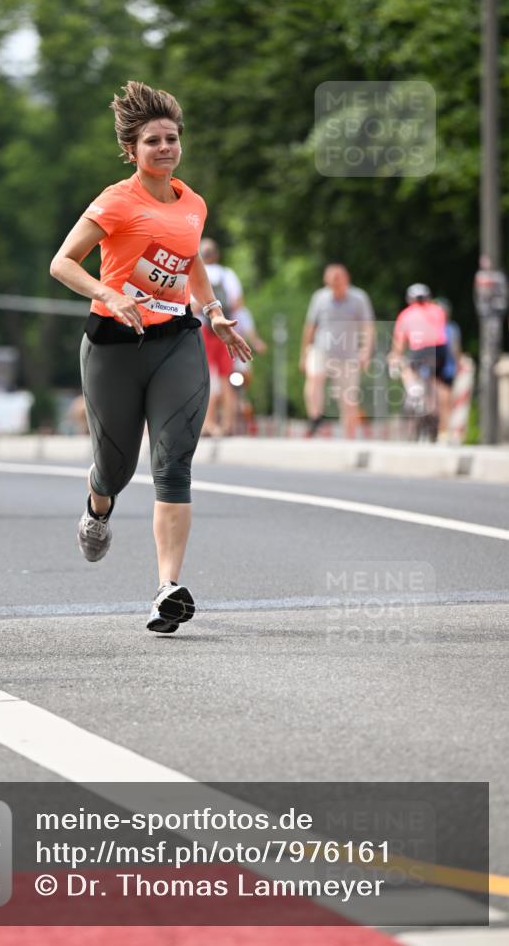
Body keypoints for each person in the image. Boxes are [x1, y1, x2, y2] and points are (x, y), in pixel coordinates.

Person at [50, 81, 251, 633]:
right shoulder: (116, 201)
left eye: (171, 139)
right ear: (132, 151)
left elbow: (189, 264)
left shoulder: (193, 204)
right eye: (153, 141)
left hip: (176, 342)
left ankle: (167, 589)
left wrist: (211, 312)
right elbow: (62, 263)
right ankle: (98, 506)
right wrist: (109, 294)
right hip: (114, 346)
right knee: (117, 467)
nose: (165, 148)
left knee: (174, 462)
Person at [300, 264, 375, 439]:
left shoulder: (359, 298)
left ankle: (349, 436)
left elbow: (368, 327)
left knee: (348, 398)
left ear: (346, 279)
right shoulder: (319, 297)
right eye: (331, 280)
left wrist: (366, 351)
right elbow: (310, 326)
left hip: (348, 354)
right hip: (321, 349)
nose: (335, 284)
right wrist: (303, 354)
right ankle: (315, 417)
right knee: (314, 378)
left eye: (338, 279)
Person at [194, 238, 243, 436]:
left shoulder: (196, 272)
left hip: (204, 330)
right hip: (226, 328)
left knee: (206, 379)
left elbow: (193, 305)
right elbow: (238, 302)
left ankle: (208, 423)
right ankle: (228, 424)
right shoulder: (227, 274)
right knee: (226, 378)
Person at [390, 284, 450, 440]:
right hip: (441, 350)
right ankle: (436, 418)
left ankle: (414, 389)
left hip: (421, 349)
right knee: (433, 382)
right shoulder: (438, 310)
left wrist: (394, 356)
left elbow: (399, 344)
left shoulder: (406, 314)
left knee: (406, 367)